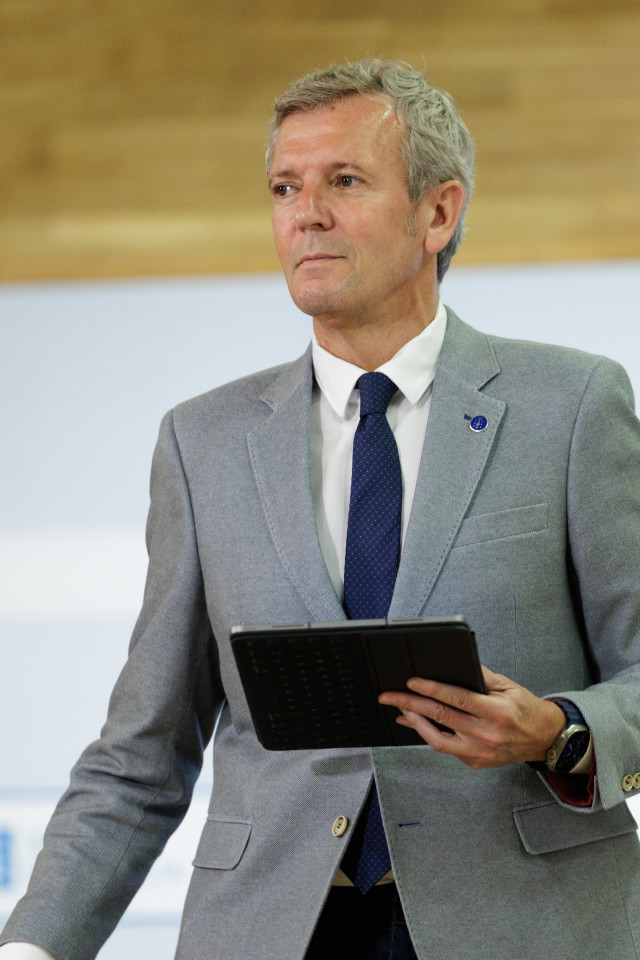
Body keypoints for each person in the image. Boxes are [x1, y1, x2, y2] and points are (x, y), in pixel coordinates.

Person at [2, 57, 640, 960]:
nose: (307, 213)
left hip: (526, 926)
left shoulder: (572, 406)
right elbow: (139, 755)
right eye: (284, 187)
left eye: (345, 181)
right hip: (272, 932)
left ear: (438, 212)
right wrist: (32, 948)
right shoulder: (202, 444)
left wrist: (562, 731)